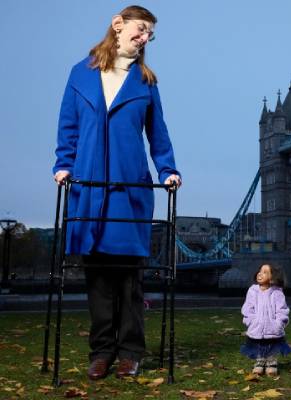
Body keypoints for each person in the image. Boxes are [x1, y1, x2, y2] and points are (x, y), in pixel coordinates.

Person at [52, 5, 181, 380]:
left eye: (149, 36)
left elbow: (158, 134)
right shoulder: (81, 74)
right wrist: (63, 164)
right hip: (89, 188)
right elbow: (68, 126)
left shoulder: (146, 81)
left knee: (128, 278)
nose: (144, 39)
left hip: (130, 189)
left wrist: (168, 170)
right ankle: (101, 352)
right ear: (118, 25)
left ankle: (130, 352)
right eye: (141, 30)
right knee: (97, 277)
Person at [240, 264, 291, 376]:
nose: (260, 273)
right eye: (259, 271)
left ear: (272, 278)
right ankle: (260, 361)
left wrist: (279, 323)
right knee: (259, 344)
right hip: (256, 326)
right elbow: (247, 308)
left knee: (271, 344)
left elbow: (282, 310)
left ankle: (271, 361)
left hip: (273, 327)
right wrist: (250, 321)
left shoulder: (277, 292)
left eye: (264, 272)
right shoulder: (252, 291)